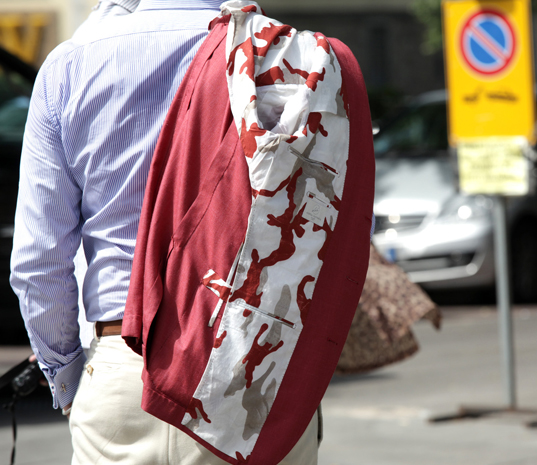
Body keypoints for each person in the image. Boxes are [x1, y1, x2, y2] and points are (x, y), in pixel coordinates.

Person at [10, 1, 341, 463]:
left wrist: (67, 377)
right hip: (253, 363)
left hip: (123, 367)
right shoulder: (281, 53)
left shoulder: (70, 64)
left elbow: (38, 264)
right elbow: (325, 218)